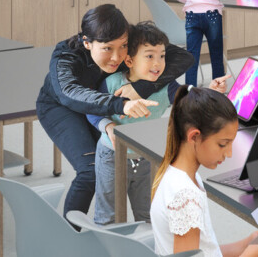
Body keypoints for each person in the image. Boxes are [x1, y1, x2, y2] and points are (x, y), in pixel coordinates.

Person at [36, 4, 192, 217]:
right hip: (62, 108)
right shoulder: (66, 55)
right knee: (90, 170)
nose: (117, 57)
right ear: (87, 43)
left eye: (124, 46)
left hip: (106, 105)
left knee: (110, 158)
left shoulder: (127, 37)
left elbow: (182, 57)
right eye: (107, 48)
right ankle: (69, 236)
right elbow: (67, 93)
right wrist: (121, 104)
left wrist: (140, 88)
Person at [90, 22, 229, 226]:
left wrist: (210, 92)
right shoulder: (112, 83)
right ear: (129, 60)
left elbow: (190, 97)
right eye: (149, 56)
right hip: (111, 156)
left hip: (147, 159)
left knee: (148, 215)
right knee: (107, 216)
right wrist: (108, 127)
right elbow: (93, 111)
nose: (158, 63)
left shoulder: (166, 86)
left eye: (162, 56)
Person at [150, 87, 258, 257]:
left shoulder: (180, 176)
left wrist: (245, 245)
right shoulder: (186, 197)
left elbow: (207, 252)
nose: (229, 153)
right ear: (194, 136)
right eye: (223, 144)